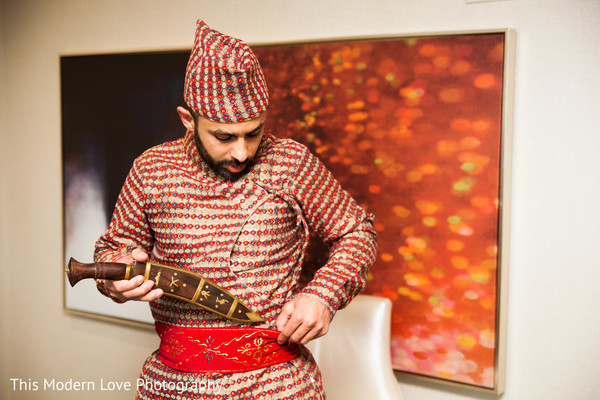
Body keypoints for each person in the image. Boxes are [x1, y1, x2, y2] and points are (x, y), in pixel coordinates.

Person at [94, 20, 377, 400]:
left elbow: (357, 231)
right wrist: (113, 279)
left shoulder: (290, 162)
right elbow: (113, 249)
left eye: (254, 133)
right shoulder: (151, 168)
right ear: (187, 120)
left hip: (279, 384)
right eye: (224, 137)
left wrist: (323, 294)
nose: (241, 152)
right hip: (172, 385)